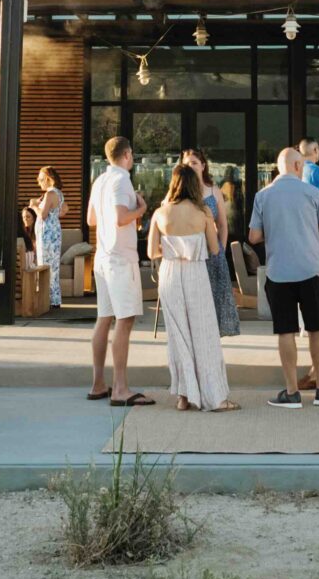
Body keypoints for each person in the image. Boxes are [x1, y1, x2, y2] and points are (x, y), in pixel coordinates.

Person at [248, 147, 319, 408]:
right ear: (299, 166)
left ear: (279, 167)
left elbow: (253, 237)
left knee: (285, 331)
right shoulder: (312, 193)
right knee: (316, 329)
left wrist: (275, 230)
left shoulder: (263, 195)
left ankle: (292, 392)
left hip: (279, 272)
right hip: (310, 270)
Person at [148, 165, 237, 412]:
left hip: (169, 274)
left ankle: (184, 396)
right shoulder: (203, 212)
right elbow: (215, 248)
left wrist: (172, 248)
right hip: (195, 272)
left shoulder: (160, 213)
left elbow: (151, 251)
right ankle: (215, 397)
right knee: (204, 334)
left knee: (178, 336)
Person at [86, 136, 153, 407]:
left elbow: (91, 219)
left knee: (104, 318)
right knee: (124, 321)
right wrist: (142, 208)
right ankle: (121, 388)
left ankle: (98, 383)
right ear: (126, 155)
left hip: (102, 255)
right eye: (132, 156)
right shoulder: (121, 179)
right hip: (120, 259)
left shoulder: (99, 180)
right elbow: (121, 217)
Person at [179, 149, 240, 336]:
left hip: (212, 253)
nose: (191, 166)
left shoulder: (213, 190)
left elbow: (222, 224)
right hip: (189, 255)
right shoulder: (179, 191)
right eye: (187, 163)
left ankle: (211, 343)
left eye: (194, 163)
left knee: (215, 301)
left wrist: (219, 249)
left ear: (203, 166)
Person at [28, 166, 65, 310]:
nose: (39, 182)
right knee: (53, 266)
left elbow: (42, 215)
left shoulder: (50, 194)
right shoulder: (58, 193)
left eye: (41, 179)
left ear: (49, 179)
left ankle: (47, 299)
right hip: (54, 231)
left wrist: (34, 206)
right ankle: (54, 298)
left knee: (45, 264)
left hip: (47, 233)